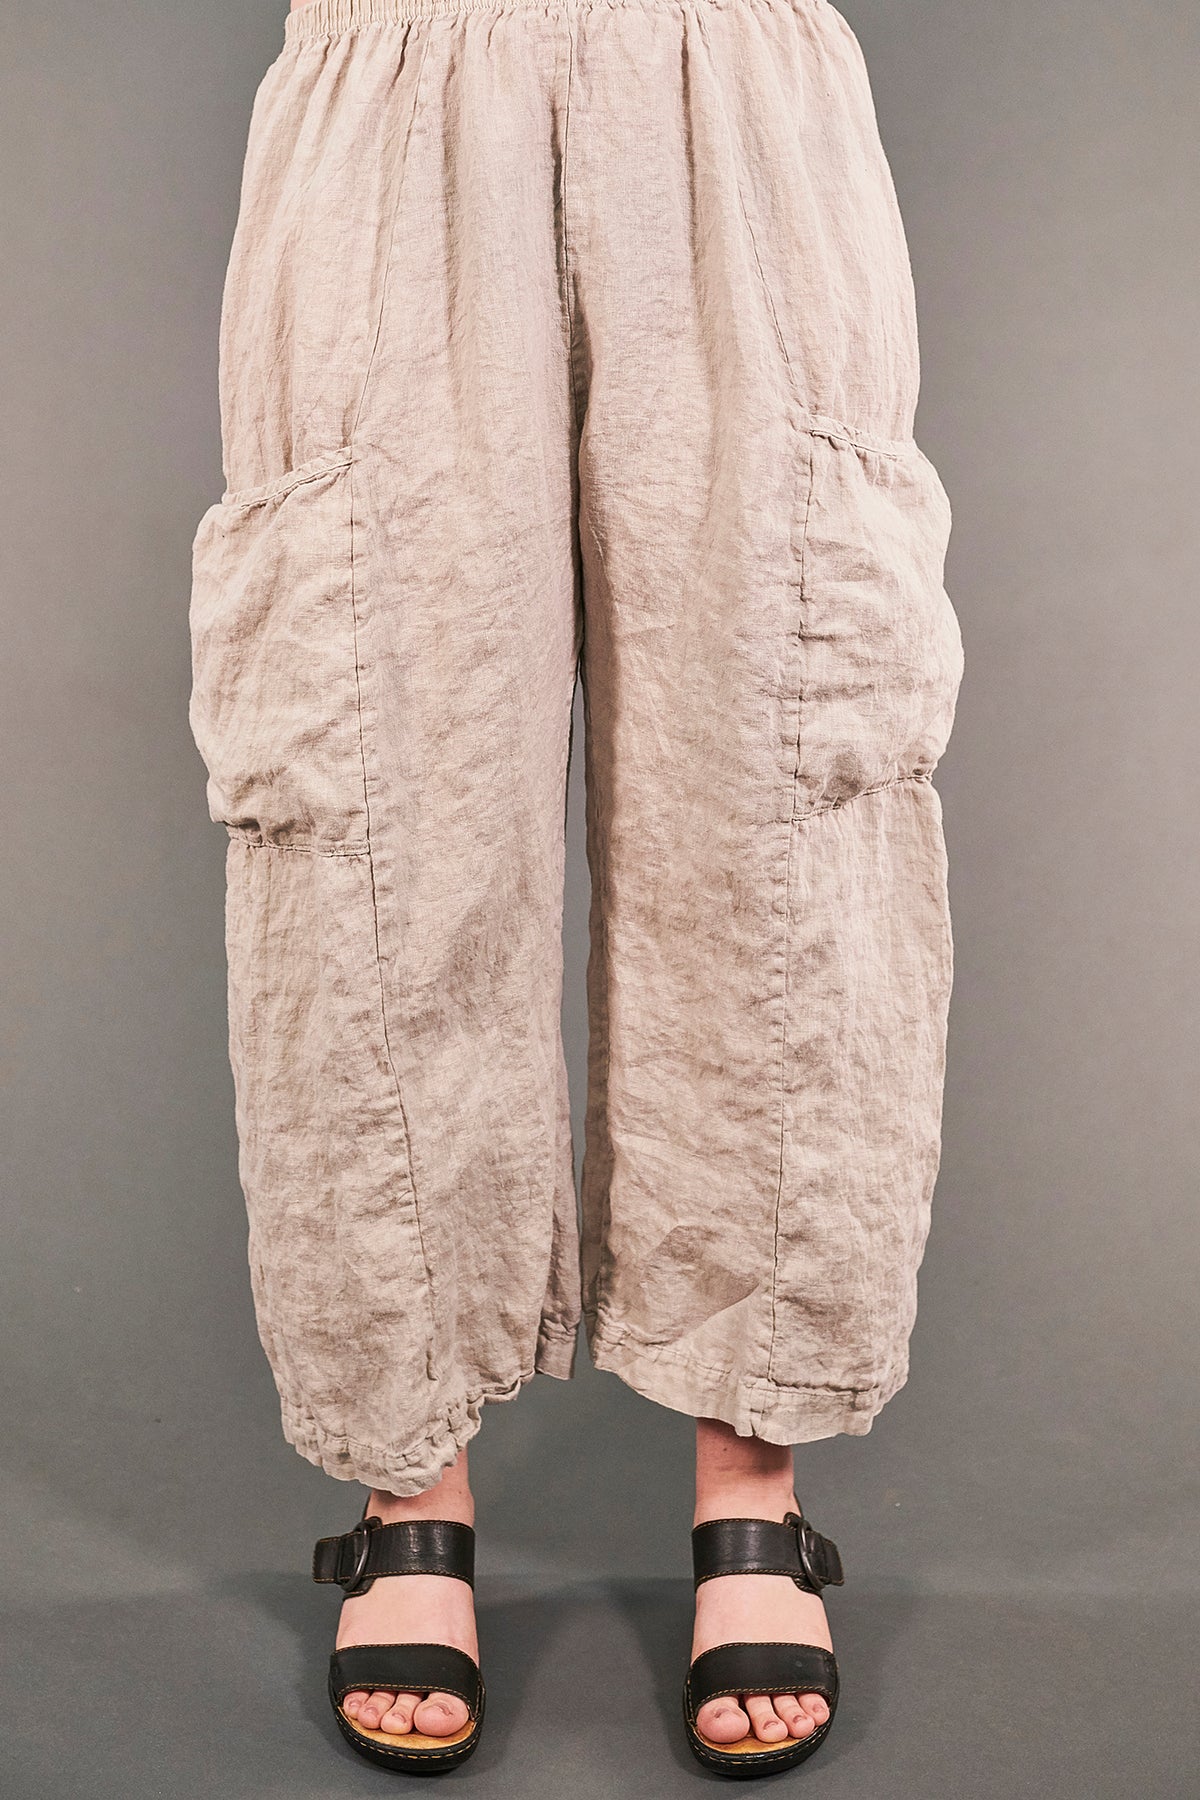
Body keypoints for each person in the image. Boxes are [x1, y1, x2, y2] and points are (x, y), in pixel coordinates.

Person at [188, 0, 964, 1775]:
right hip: (389, 85)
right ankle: (412, 1488)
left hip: (740, 86)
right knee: (371, 788)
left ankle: (752, 1481)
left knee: (782, 780)